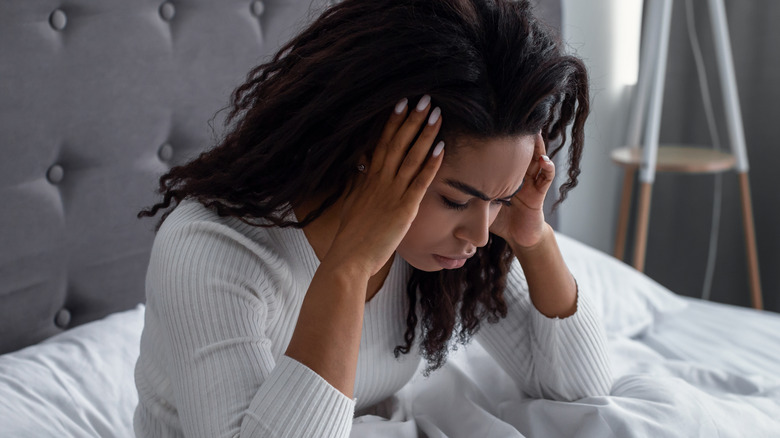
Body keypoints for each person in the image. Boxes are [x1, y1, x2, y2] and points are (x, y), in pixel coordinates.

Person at [133, 0, 613, 436]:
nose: (479, 234)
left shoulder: (443, 244)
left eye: (499, 201)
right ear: (370, 152)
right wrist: (349, 268)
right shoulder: (212, 250)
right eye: (455, 200)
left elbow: (581, 390)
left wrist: (533, 236)